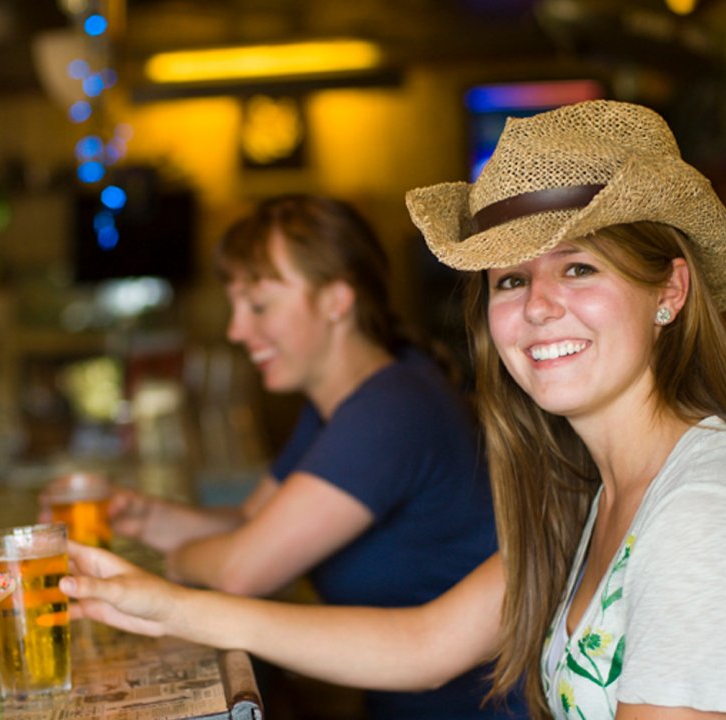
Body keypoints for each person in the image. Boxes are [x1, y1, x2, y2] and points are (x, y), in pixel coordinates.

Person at [60, 100, 726, 719]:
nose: (539, 306)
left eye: (578, 269)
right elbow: (423, 643)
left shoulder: (708, 519)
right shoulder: (589, 492)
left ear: (670, 292)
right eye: (510, 280)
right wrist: (166, 605)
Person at [95, 194, 518, 719]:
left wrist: (165, 567)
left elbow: (243, 570)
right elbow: (256, 523)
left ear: (337, 300)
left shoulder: (391, 409)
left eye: (259, 305)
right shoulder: (345, 401)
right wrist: (149, 519)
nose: (236, 330)